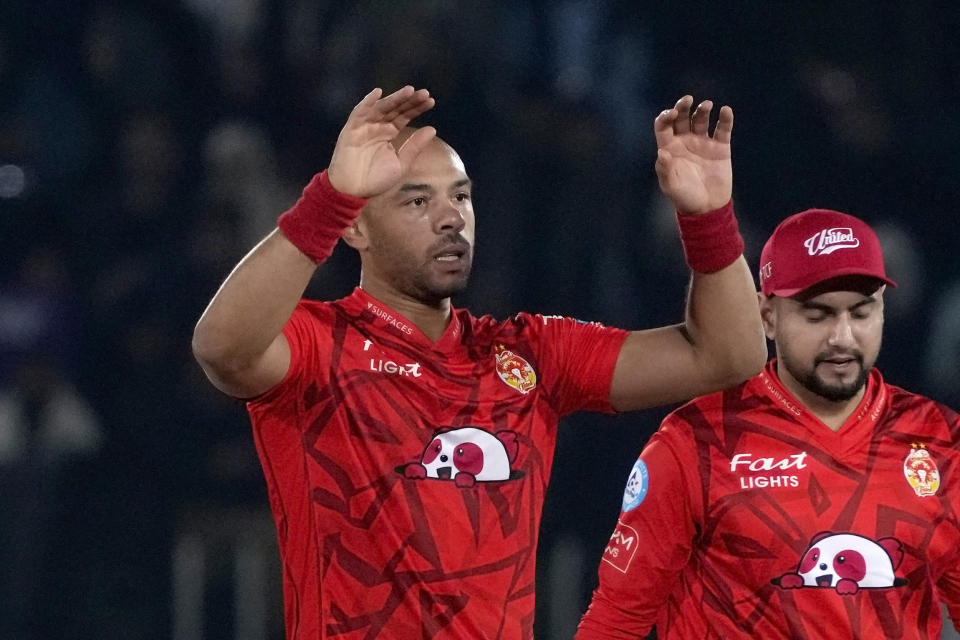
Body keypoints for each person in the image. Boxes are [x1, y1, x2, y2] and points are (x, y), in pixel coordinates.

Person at [191, 85, 767, 639]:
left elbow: (728, 355)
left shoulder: (529, 352)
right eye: (418, 200)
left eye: (461, 197)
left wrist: (708, 218)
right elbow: (223, 349)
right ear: (357, 227)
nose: (452, 219)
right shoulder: (320, 345)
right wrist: (329, 200)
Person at [576, 209, 960, 639]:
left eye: (861, 312)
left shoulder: (942, 440)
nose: (843, 337)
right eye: (817, 315)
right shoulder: (697, 442)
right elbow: (615, 621)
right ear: (767, 315)